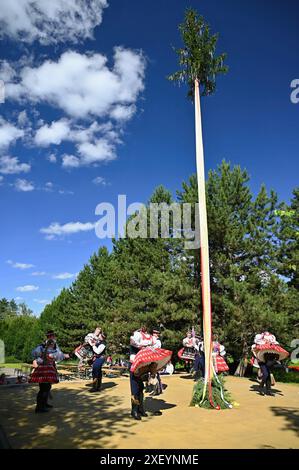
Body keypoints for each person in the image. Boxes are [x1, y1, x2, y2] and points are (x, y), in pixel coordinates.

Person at [30, 331, 69, 413]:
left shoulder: (52, 346)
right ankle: (40, 407)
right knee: (44, 388)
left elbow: (57, 355)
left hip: (48, 368)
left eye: (52, 336)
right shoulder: (43, 346)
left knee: (46, 387)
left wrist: (62, 355)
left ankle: (44, 404)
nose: (53, 338)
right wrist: (36, 360)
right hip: (44, 369)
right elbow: (35, 353)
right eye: (51, 336)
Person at [251, 331, 289, 396]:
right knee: (266, 374)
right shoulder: (257, 346)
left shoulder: (272, 347)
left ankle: (268, 390)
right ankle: (261, 387)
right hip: (261, 362)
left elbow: (277, 355)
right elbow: (256, 354)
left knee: (267, 375)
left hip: (268, 361)